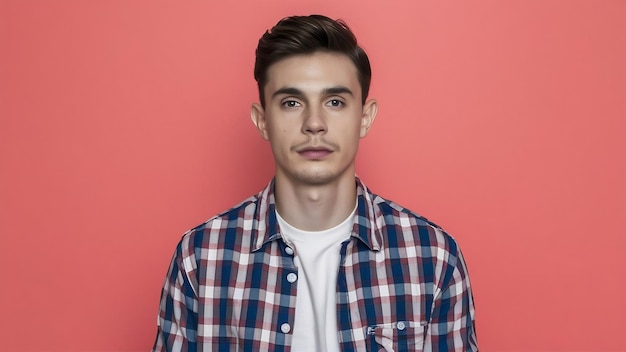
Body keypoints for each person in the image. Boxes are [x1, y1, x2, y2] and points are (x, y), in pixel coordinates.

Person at [153, 14, 478, 352]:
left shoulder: (433, 259)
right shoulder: (201, 259)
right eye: (291, 103)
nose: (314, 123)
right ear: (262, 121)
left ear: (364, 118)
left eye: (335, 102)